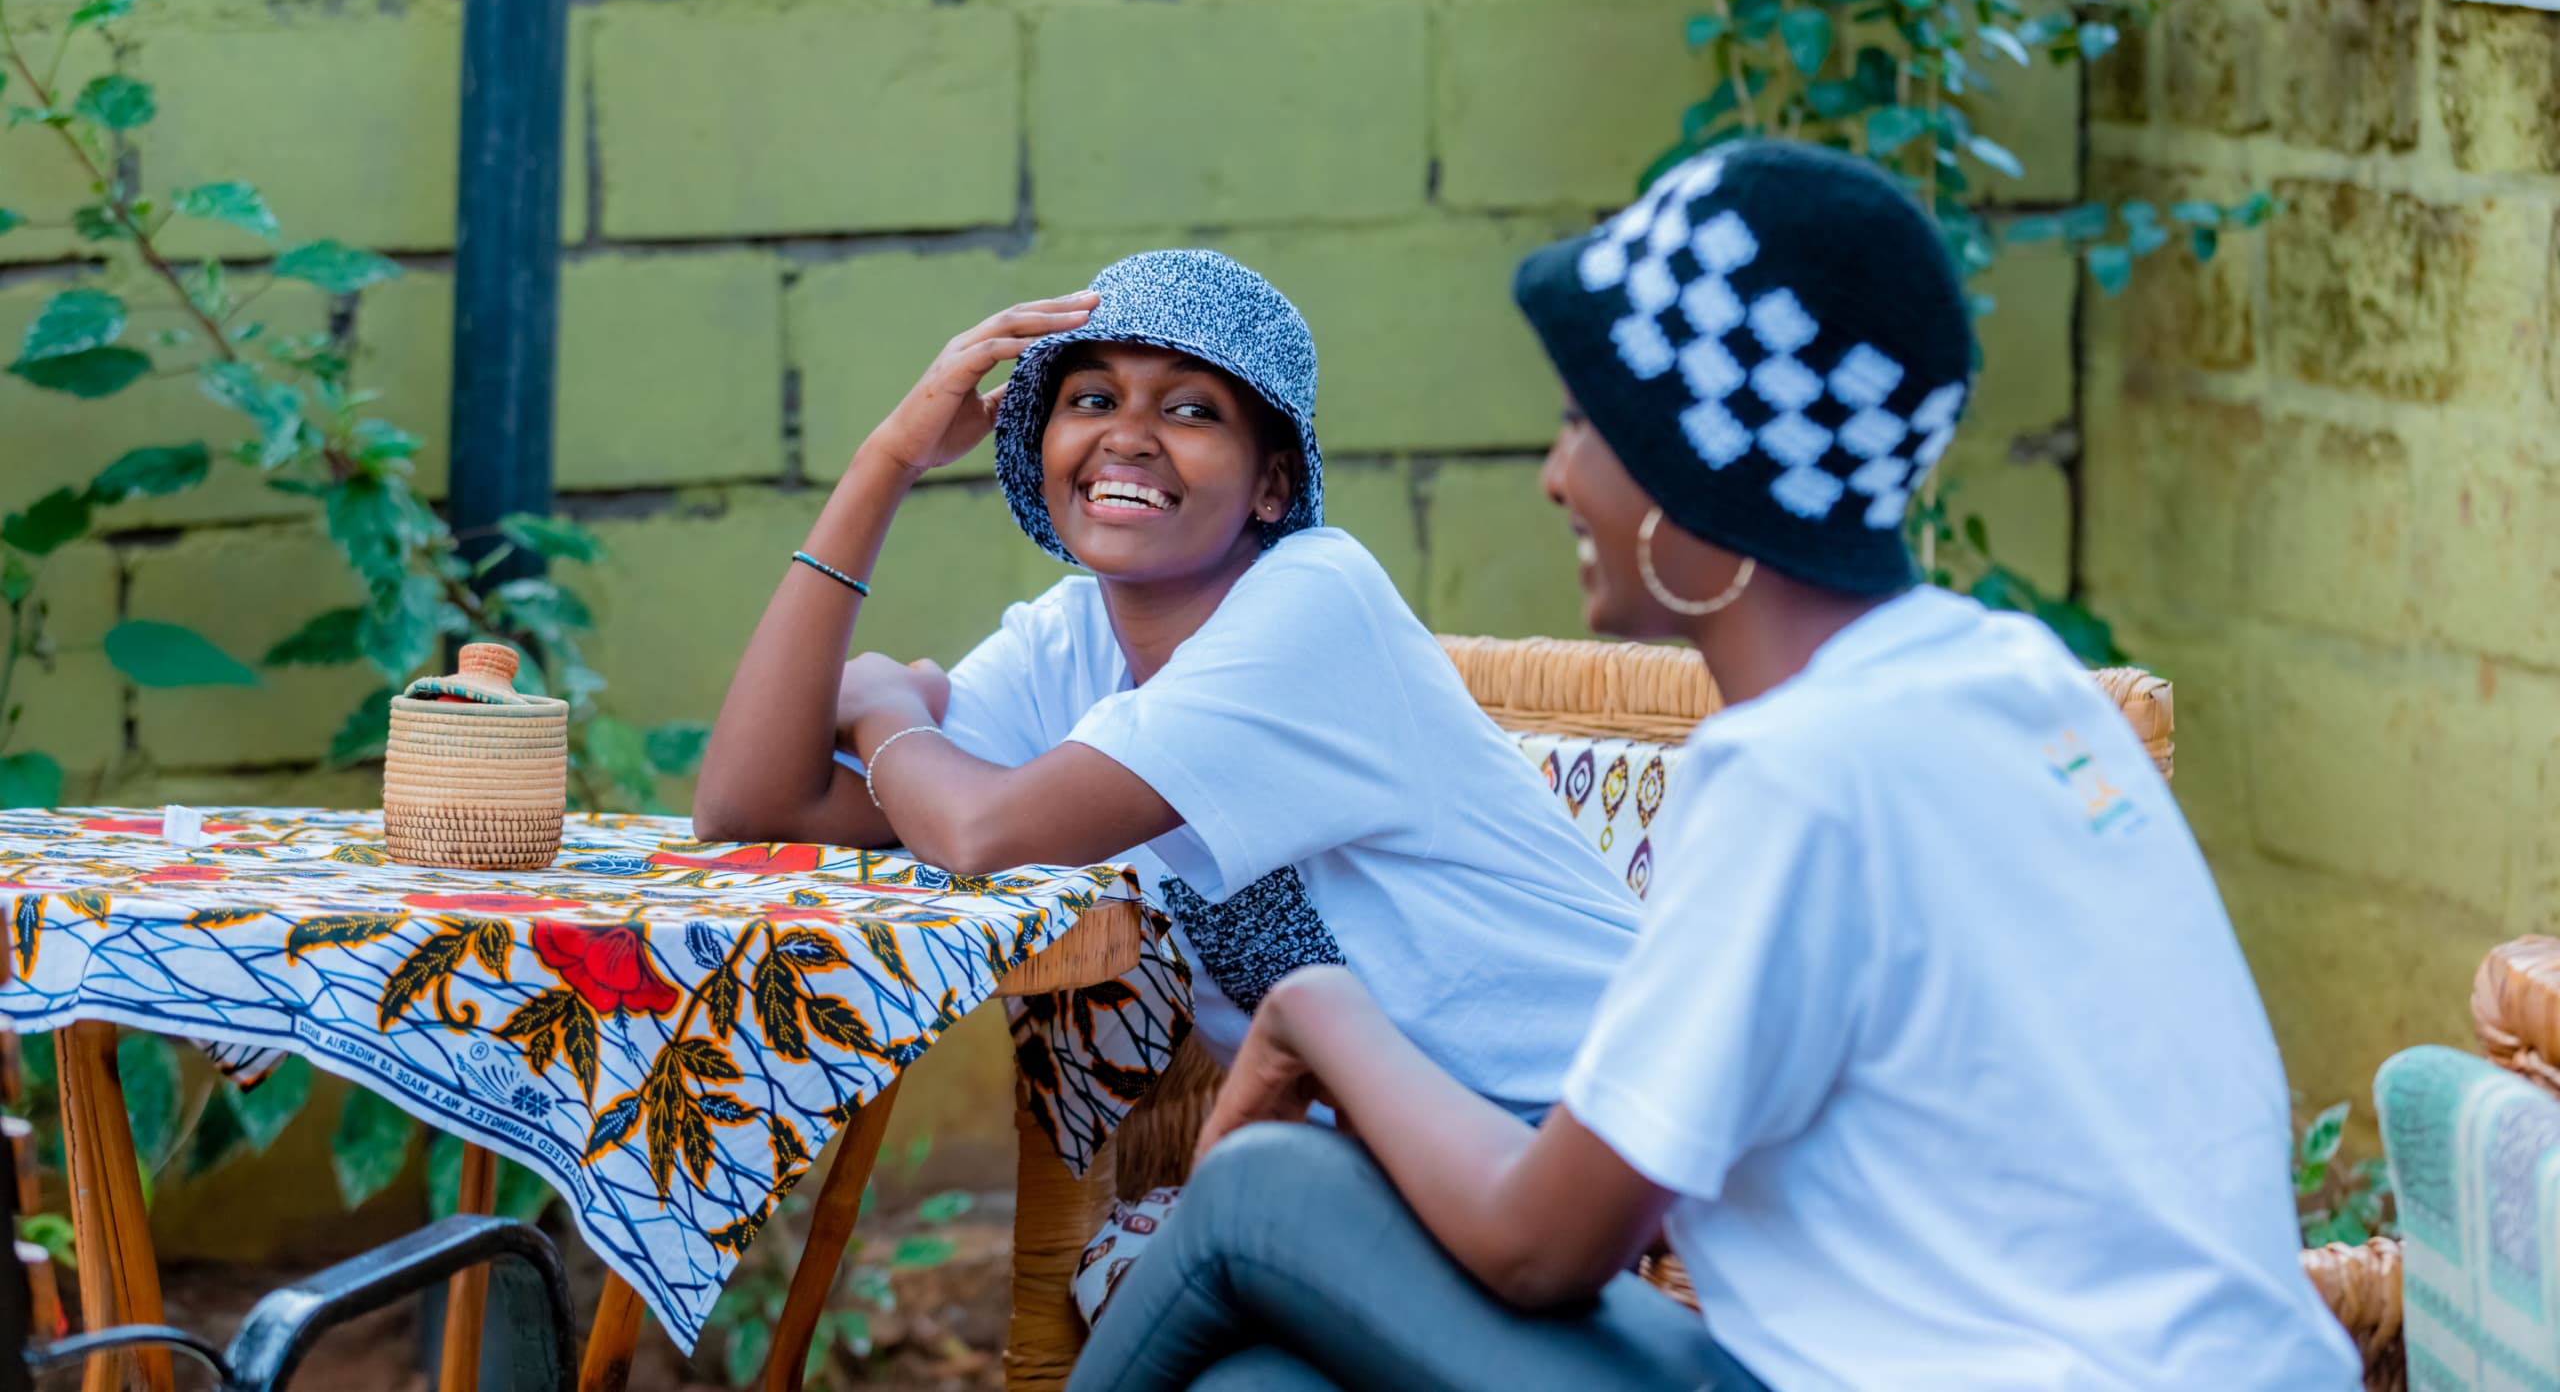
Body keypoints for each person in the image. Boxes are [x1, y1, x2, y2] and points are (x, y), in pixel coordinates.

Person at [1070, 146, 2363, 1392]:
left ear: (1691, 465)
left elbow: (1541, 1243)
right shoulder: (2017, 685)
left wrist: (1321, 1007)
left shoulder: (1802, 771)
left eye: (1586, 423)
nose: (1555, 477)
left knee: (1263, 1189)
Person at [693, 248, 1639, 1135]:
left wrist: (885, 706)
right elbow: (749, 807)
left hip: (1613, 1134)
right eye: (1091, 398)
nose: (1127, 437)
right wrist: (888, 462)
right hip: (1414, 1160)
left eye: (1190, 411)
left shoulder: (1315, 603)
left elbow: (978, 833)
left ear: (1272, 485)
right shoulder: (1066, 644)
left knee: (1240, 1206)